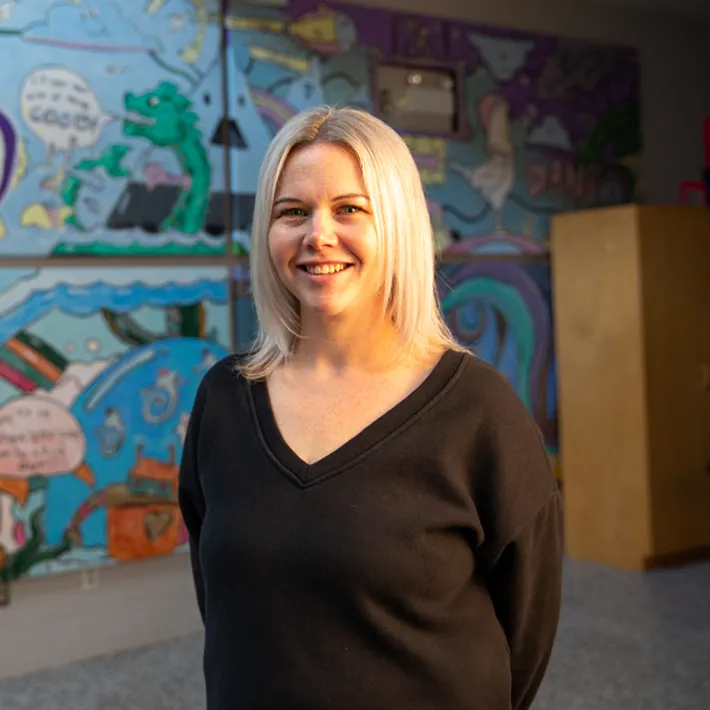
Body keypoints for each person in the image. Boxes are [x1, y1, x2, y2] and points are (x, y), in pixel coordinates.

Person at [178, 105, 564, 710]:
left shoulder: (479, 411)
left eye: (350, 209)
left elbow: (526, 632)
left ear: (399, 226)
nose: (318, 235)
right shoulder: (224, 401)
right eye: (292, 212)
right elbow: (223, 601)